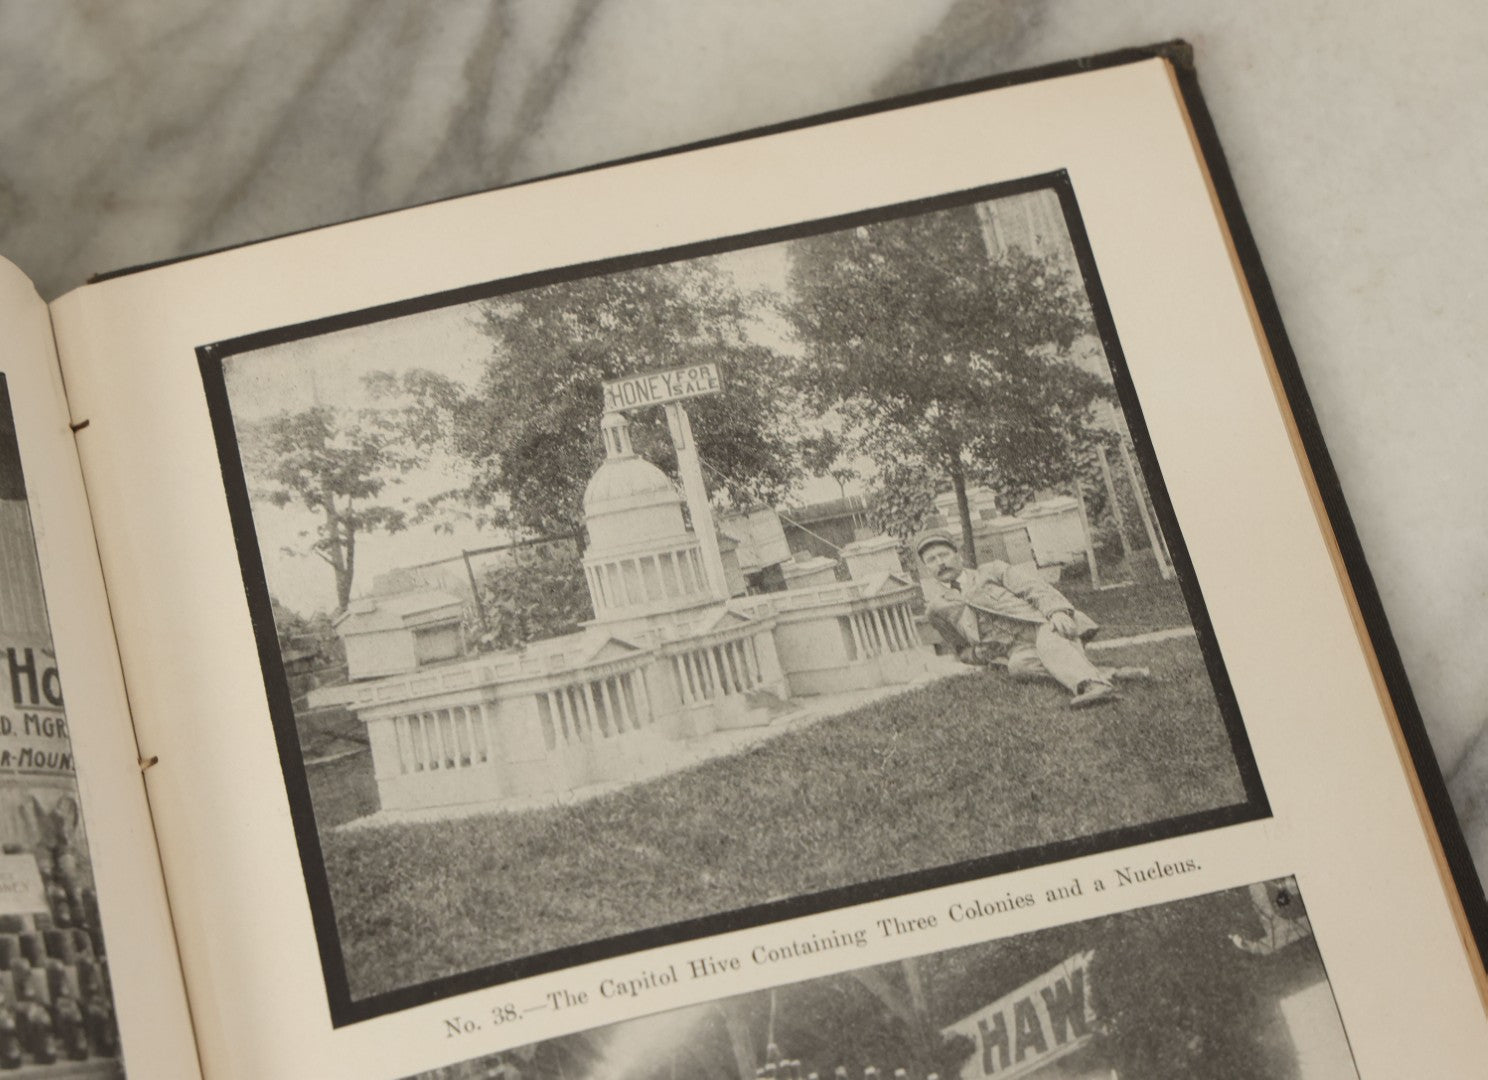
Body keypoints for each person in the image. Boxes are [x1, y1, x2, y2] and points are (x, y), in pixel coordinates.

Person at [913, 527, 1146, 709]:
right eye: (931, 560)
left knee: (1050, 643)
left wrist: (1056, 612)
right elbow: (960, 649)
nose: (940, 562)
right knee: (1019, 668)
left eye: (943, 554)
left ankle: (1092, 686)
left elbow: (1034, 588)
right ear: (927, 569)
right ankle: (1110, 674)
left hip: (1040, 625)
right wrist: (977, 655)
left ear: (958, 555)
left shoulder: (992, 570)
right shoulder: (937, 609)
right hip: (1014, 650)